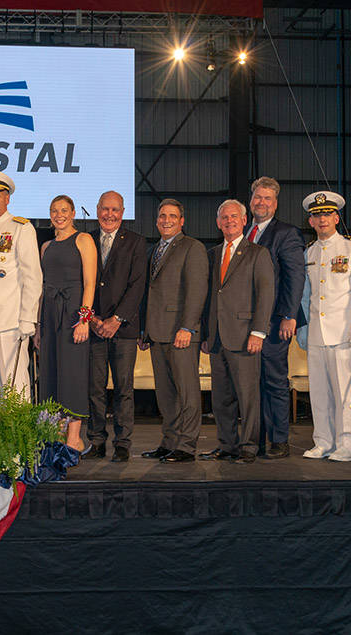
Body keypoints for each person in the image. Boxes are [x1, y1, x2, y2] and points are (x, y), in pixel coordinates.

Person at [198, 200, 275, 464]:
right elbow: (209, 297)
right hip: (217, 338)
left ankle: (249, 446)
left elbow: (265, 295)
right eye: (224, 217)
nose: (229, 221)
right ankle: (227, 445)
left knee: (248, 396)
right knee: (221, 399)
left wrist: (259, 332)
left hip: (245, 336)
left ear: (244, 221)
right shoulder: (212, 254)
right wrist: (206, 334)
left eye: (234, 216)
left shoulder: (257, 253)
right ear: (218, 223)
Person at [297, 192, 351, 462]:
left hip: (343, 333)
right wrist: (303, 329)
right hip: (317, 333)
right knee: (319, 392)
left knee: (345, 392)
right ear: (311, 221)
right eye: (317, 215)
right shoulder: (310, 252)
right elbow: (306, 296)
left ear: (337, 217)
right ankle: (323, 441)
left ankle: (348, 444)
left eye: (327, 214)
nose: (322, 219)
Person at [140, 199, 209, 464]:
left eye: (172, 216)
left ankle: (187, 445)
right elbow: (151, 293)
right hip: (157, 333)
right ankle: (169, 441)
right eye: (162, 215)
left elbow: (197, 290)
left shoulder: (193, 247)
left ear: (182, 221)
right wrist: (145, 330)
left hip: (181, 333)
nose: (166, 220)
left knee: (187, 392)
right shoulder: (154, 250)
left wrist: (188, 327)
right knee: (165, 394)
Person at [243, 177, 305, 459]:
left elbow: (295, 276)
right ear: (251, 200)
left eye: (267, 198)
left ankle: (279, 440)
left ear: (276, 203)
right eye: (258, 197)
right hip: (246, 324)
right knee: (252, 384)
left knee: (275, 382)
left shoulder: (287, 233)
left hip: (275, 322)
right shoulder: (244, 232)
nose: (262, 203)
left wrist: (289, 315)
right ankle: (255, 439)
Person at [86, 190, 147, 463]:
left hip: (123, 329)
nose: (109, 215)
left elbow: (137, 285)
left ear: (123, 212)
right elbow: (82, 282)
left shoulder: (136, 242)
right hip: (93, 327)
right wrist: (94, 319)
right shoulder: (84, 239)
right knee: (94, 387)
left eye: (115, 210)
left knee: (124, 388)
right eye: (105, 209)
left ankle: (123, 442)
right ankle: (96, 440)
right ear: (97, 209)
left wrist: (116, 319)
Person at [38, 195, 97, 452]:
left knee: (72, 374)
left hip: (73, 313)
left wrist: (84, 319)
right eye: (54, 210)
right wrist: (38, 327)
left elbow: (90, 283)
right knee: (51, 372)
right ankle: (56, 432)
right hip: (50, 313)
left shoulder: (83, 240)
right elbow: (42, 287)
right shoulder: (46, 246)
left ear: (73, 213)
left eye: (63, 210)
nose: (58, 214)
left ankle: (75, 437)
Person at [0, 170, 42, 399]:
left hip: (11, 321)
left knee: (14, 386)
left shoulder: (21, 228)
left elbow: (32, 277)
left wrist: (27, 318)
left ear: (7, 198)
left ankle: (18, 435)